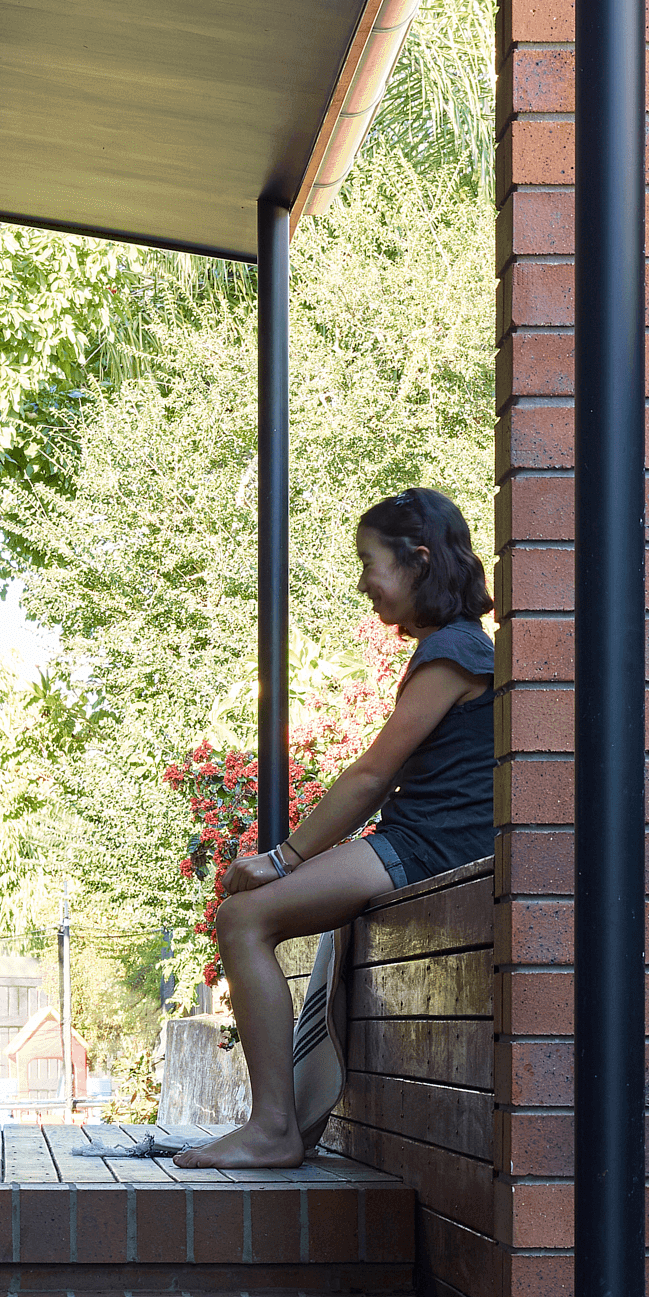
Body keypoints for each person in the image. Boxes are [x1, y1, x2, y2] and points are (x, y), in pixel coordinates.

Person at [177, 487, 496, 1171]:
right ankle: (273, 1124)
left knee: (243, 919)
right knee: (243, 919)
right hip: (421, 839)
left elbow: (372, 775)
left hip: (428, 845)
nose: (362, 583)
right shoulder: (458, 647)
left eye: (368, 563)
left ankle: (272, 1129)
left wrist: (282, 859)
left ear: (418, 559)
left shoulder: (454, 652)